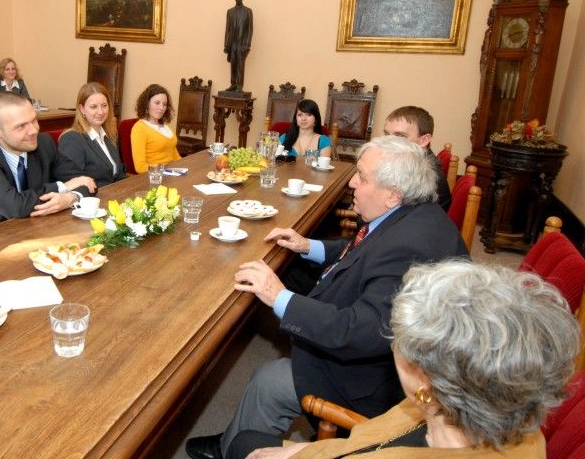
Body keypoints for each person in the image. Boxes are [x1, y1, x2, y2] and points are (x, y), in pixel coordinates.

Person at [185, 136, 469, 459]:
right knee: (290, 268)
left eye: (361, 176)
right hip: (381, 347)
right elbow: (365, 250)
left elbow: (358, 331)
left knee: (268, 380)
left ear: (392, 194)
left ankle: (234, 448)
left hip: (375, 380)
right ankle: (235, 439)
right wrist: (309, 246)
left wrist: (279, 296)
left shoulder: (408, 248)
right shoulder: (412, 215)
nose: (351, 182)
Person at [226, 260, 579, 458]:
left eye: (400, 340)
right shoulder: (522, 431)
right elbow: (369, 438)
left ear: (425, 380)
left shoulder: (424, 403)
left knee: (245, 446)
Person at [0, 91, 96, 228]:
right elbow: (15, 207)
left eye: (34, 120)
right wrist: (64, 187)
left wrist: (70, 198)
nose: (33, 130)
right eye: (21, 126)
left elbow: (86, 181)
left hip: (29, 230)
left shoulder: (43, 143)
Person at [58, 82, 126, 188]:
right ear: (82, 109)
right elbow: (74, 184)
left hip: (115, 196)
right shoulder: (72, 139)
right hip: (91, 200)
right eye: (93, 107)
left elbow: (119, 174)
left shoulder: (111, 135)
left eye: (104, 105)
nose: (100, 112)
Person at [383, 106, 451, 211]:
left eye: (400, 136)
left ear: (424, 140)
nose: (388, 142)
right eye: (387, 134)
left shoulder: (423, 176)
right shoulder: (410, 160)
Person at [130, 84, 181, 173]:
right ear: (146, 103)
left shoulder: (165, 126)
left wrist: (185, 166)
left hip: (171, 174)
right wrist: (167, 171)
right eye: (157, 103)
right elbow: (140, 167)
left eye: (164, 104)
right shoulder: (139, 129)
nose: (161, 108)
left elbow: (175, 156)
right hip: (154, 178)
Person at [224, 0, 253, 92]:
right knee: (233, 64)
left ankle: (240, 86)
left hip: (242, 44)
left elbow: (250, 29)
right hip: (232, 43)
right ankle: (233, 84)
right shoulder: (230, 11)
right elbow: (227, 29)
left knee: (240, 64)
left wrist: (247, 44)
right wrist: (226, 45)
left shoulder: (248, 11)